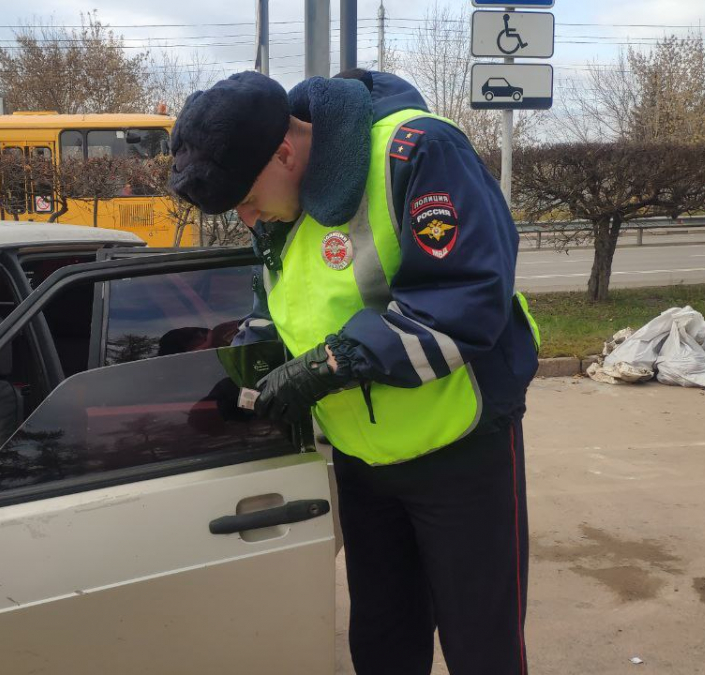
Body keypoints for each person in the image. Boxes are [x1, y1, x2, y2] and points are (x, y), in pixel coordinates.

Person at [167, 69, 541, 675]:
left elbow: (468, 300)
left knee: (482, 647)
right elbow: (281, 305)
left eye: (245, 200)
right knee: (383, 641)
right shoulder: (281, 203)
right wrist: (244, 370)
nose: (246, 218)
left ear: (285, 152)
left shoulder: (416, 151)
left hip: (461, 452)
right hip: (362, 459)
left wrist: (333, 363)